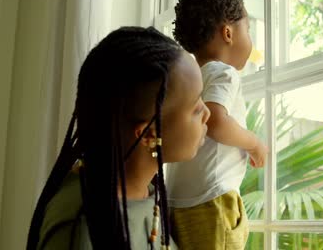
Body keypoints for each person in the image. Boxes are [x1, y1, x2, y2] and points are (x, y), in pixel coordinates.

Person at [26, 26, 211, 250]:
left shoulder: (143, 191)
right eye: (195, 108)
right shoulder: (81, 232)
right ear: (149, 134)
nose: (207, 112)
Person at [165, 0, 268, 249]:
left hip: (178, 202)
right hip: (212, 200)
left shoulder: (189, 79)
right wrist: (253, 143)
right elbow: (215, 120)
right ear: (228, 33)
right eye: (249, 29)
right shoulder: (224, 72)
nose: (251, 38)